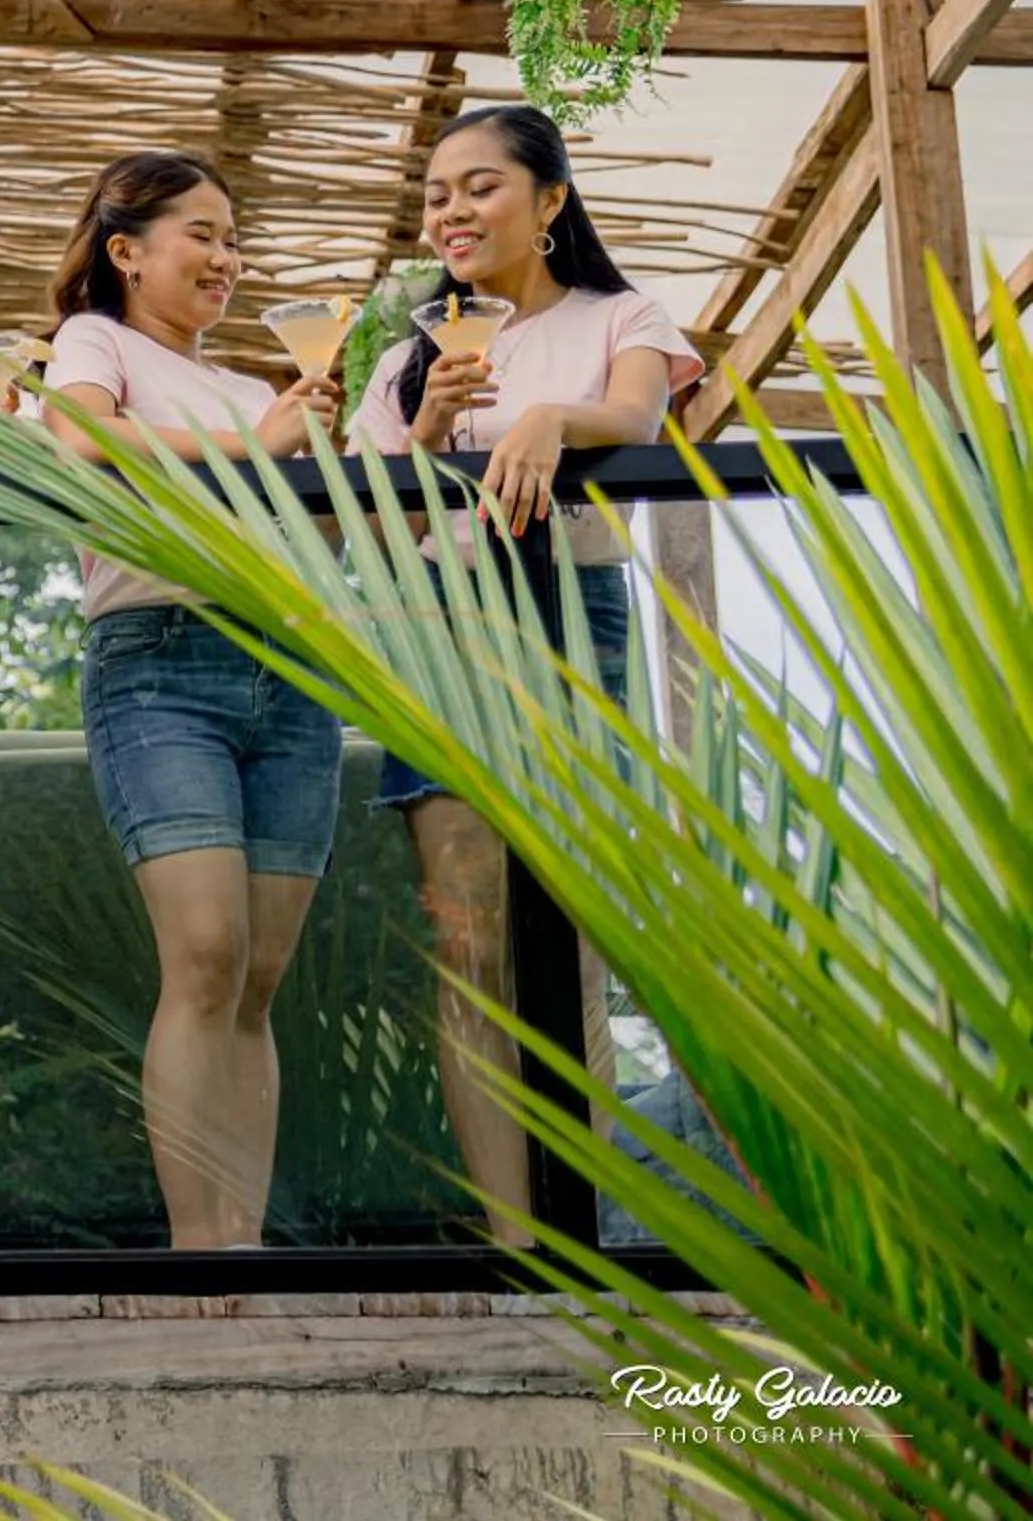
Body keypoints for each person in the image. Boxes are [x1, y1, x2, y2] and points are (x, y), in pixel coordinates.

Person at [348, 102, 700, 1247]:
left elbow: (640, 420)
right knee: (472, 940)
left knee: (572, 919)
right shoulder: (406, 356)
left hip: (568, 616)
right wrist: (428, 433)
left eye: (480, 185)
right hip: (444, 623)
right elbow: (375, 537)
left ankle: (586, 1219)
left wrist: (551, 414)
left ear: (550, 202)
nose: (450, 208)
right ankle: (516, 1236)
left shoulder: (619, 313)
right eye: (438, 191)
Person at [39, 152, 346, 1250]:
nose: (227, 257)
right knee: (206, 950)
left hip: (291, 671)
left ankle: (243, 1240)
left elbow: (316, 539)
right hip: (159, 659)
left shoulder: (263, 390)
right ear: (127, 250)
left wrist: (324, 457)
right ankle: (195, 1247)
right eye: (201, 235)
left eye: (232, 237)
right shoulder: (97, 342)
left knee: (259, 978)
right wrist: (249, 447)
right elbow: (78, 435)